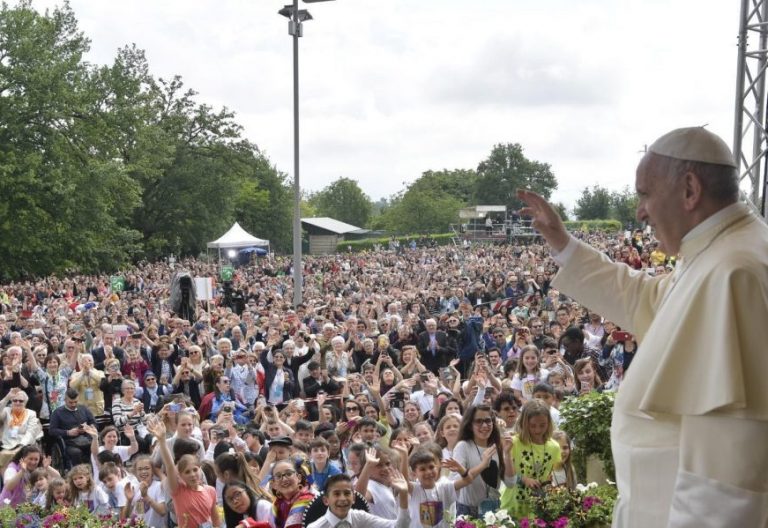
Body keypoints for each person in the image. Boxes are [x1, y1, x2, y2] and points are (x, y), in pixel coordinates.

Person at [517, 126, 768, 526]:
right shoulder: (715, 254)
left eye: (645, 194)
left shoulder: (733, 272)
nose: (640, 212)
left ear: (689, 190)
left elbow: (725, 480)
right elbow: (644, 298)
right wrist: (564, 244)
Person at [147, 416, 221, 528]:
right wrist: (162, 441)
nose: (192, 474)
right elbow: (170, 466)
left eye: (195, 470)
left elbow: (215, 518)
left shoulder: (210, 491)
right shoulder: (179, 491)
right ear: (180, 475)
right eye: (187, 472)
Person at [500, 399, 559, 518]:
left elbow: (551, 477)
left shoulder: (554, 447)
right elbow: (504, 474)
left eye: (542, 425)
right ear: (524, 423)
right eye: (533, 426)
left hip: (537, 509)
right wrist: (523, 479)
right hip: (511, 506)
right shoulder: (514, 443)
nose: (538, 430)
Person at [307, 473, 410, 528]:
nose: (342, 498)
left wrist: (404, 494)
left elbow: (399, 526)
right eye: (336, 494)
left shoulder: (360, 517)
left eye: (347, 493)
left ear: (354, 498)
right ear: (326, 500)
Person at [48, 388, 97, 466]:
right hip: (69, 442)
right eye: (70, 402)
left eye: (75, 402)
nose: (73, 405)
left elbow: (93, 422)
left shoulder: (83, 409)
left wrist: (88, 428)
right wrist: (67, 432)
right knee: (76, 453)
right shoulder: (57, 413)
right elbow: (52, 430)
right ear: (65, 400)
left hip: (87, 438)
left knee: (97, 448)